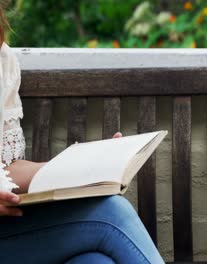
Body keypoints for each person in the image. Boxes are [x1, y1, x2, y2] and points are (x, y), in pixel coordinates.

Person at [0, 3, 165, 264]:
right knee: (110, 213)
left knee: (94, 261)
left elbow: (6, 167)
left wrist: (83, 168)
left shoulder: (2, 59)